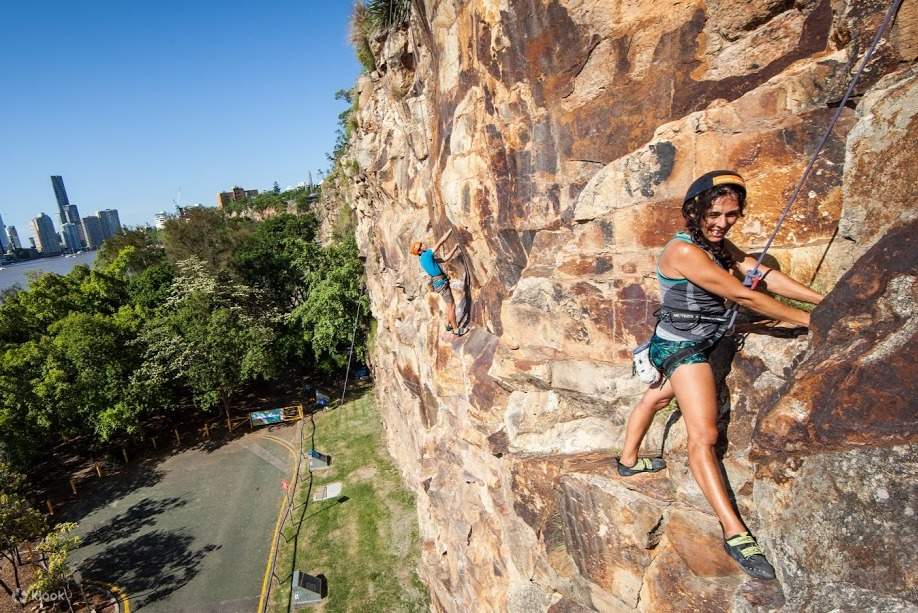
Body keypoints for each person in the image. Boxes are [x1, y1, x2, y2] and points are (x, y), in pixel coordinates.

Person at [617, 170, 824, 580]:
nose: (722, 222)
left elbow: (762, 275)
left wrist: (828, 300)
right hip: (682, 347)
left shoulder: (716, 246)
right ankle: (734, 532)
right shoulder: (684, 251)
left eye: (731, 214)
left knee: (658, 397)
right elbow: (744, 293)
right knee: (704, 435)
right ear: (695, 212)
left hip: (697, 338)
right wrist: (813, 320)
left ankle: (627, 461)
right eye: (714, 214)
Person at [411, 228, 467, 336]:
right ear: (419, 251)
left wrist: (455, 248)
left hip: (438, 282)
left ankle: (449, 324)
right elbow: (441, 242)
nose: (423, 246)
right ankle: (456, 329)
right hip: (441, 282)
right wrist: (450, 231)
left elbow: (444, 259)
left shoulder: (422, 259)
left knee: (449, 305)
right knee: (451, 306)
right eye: (420, 246)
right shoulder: (427, 255)